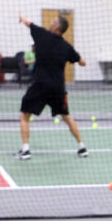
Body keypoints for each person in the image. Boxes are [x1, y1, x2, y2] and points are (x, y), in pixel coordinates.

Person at [16, 13, 86, 160]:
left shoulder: (42, 35)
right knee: (66, 117)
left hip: (40, 85)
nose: (51, 23)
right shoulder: (67, 47)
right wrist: (78, 60)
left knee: (25, 115)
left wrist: (22, 18)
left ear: (56, 27)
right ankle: (82, 147)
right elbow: (82, 62)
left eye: (53, 21)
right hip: (57, 88)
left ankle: (26, 150)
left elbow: (29, 23)